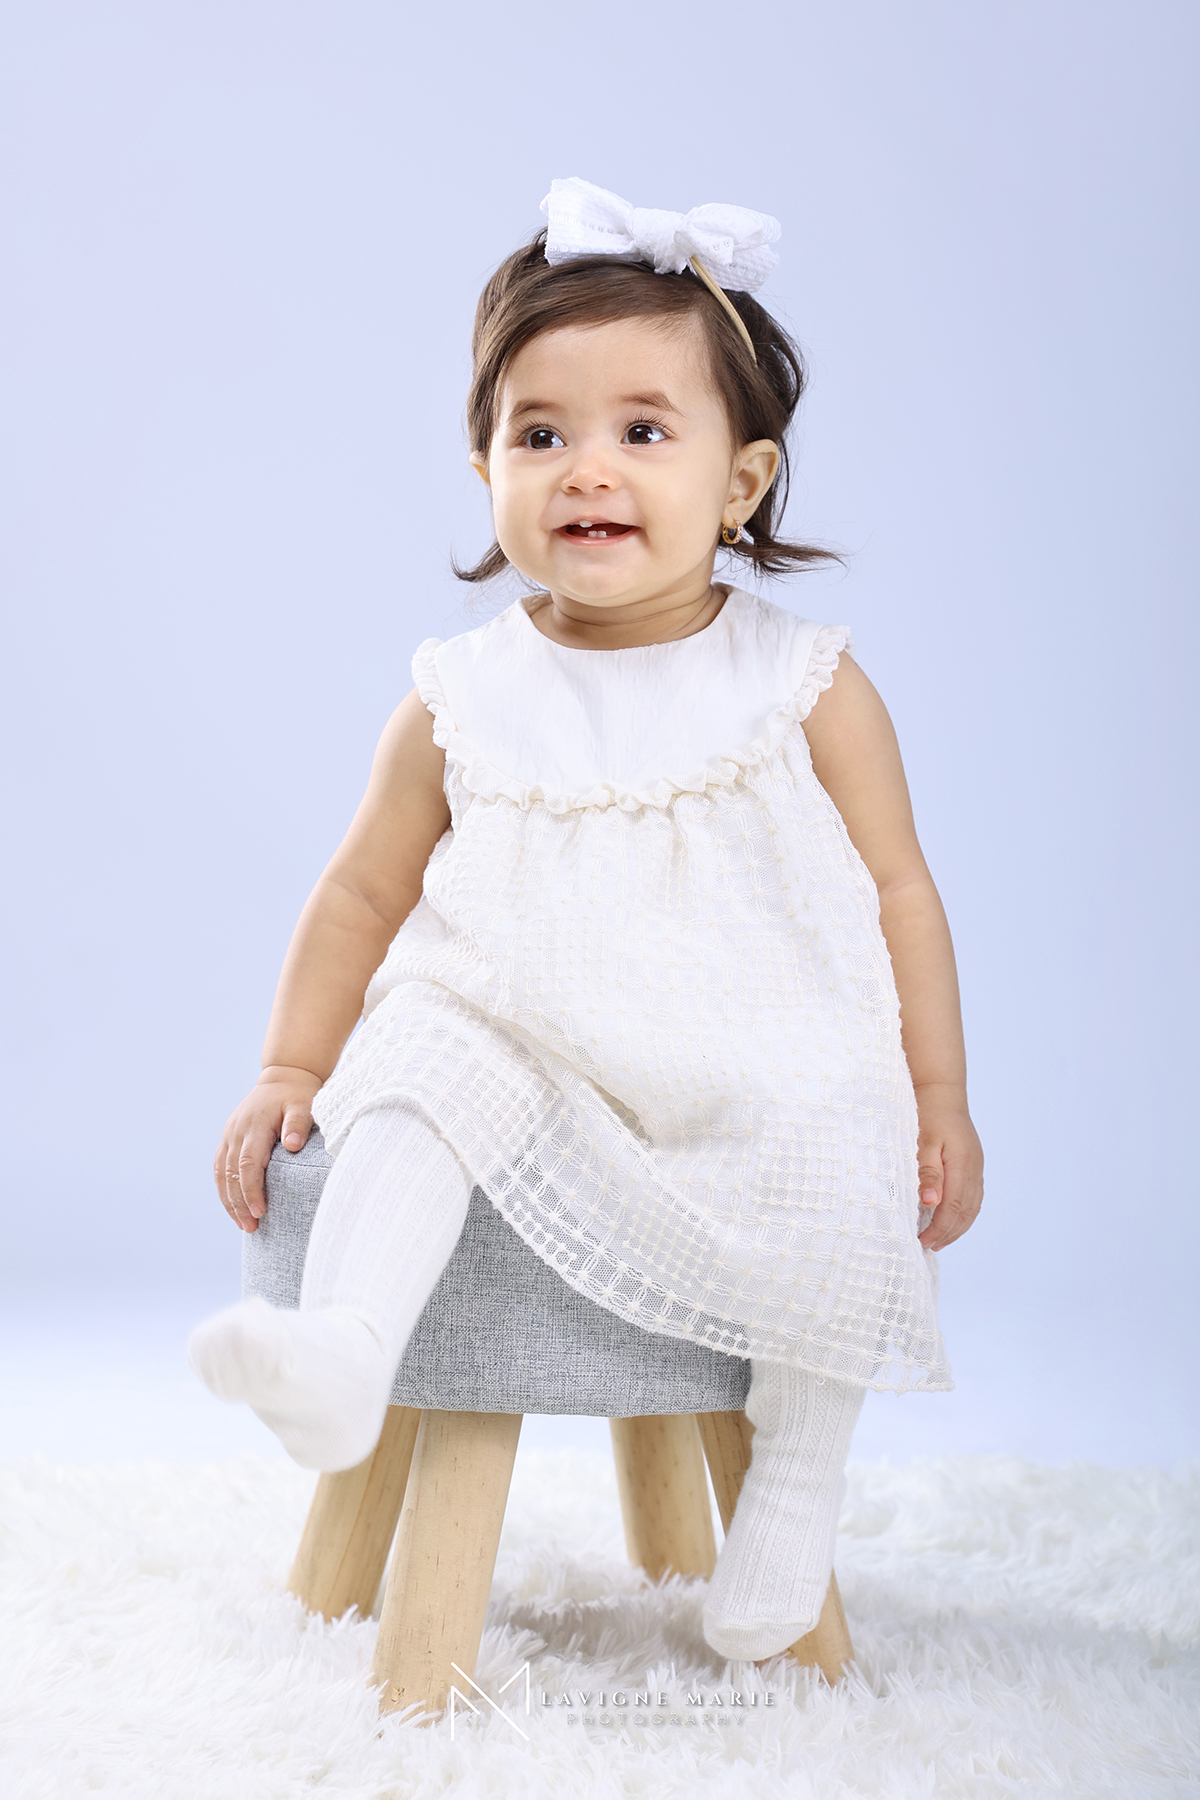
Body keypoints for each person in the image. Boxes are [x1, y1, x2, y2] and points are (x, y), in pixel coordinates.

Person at [188, 177, 984, 1662]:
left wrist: (936, 1094)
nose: (586, 469)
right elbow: (360, 891)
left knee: (839, 1125)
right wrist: (293, 1064)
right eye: (539, 435)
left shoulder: (804, 683)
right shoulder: (462, 694)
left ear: (742, 482)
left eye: (643, 431)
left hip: (750, 1041)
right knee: (420, 1065)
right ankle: (347, 1347)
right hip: (527, 1031)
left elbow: (901, 893)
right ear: (483, 467)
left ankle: (796, 1480)